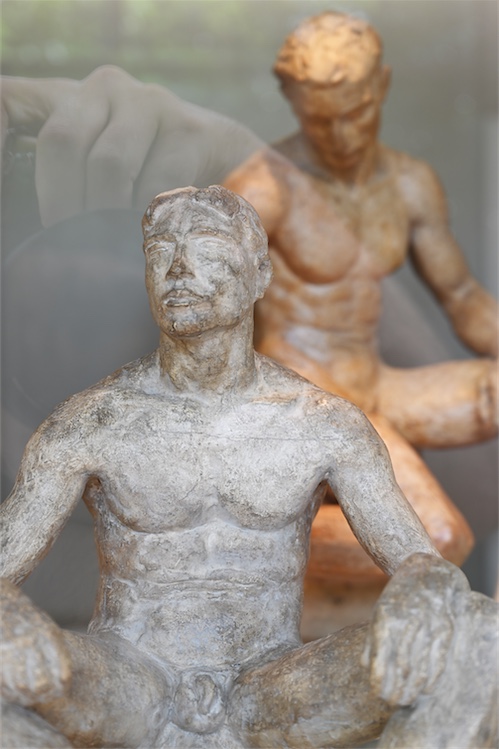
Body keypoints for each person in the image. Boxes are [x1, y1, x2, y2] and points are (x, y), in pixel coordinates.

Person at [2, 185, 495, 749]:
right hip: (128, 681)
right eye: (160, 250)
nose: (178, 269)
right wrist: (8, 613)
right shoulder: (92, 422)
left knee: (479, 635)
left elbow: (421, 561)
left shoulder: (323, 425)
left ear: (260, 274)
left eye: (208, 247)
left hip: (269, 688)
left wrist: (424, 585)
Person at [224, 11, 498, 575]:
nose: (343, 137)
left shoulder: (410, 184)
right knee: (439, 536)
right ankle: (263, 551)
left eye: (357, 113)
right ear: (292, 102)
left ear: (383, 85)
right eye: (321, 122)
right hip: (306, 403)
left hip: (378, 386)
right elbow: (206, 315)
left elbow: (463, 296)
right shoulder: (262, 189)